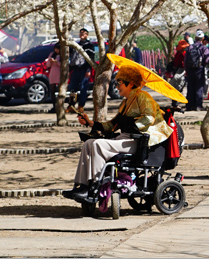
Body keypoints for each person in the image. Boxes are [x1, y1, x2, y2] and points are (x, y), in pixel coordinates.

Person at [63, 66, 172, 201]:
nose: (117, 86)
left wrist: (132, 125)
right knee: (88, 143)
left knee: (98, 144)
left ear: (130, 83)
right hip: (125, 139)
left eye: (119, 82)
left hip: (139, 141)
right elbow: (111, 125)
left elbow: (149, 118)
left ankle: (95, 186)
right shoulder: (125, 103)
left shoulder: (143, 96)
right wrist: (89, 123)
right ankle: (82, 186)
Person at [69, 29, 95, 113]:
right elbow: (71, 56)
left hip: (84, 69)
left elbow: (91, 58)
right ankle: (71, 105)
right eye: (81, 33)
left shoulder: (89, 45)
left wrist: (88, 70)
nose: (82, 34)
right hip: (75, 69)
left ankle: (81, 106)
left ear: (87, 35)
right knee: (72, 88)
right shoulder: (76, 44)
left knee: (83, 88)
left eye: (84, 33)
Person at [184, 30, 209, 111]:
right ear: (202, 38)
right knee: (199, 88)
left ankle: (189, 106)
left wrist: (186, 70)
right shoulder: (204, 48)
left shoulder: (190, 47)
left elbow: (185, 61)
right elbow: (207, 60)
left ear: (195, 38)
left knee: (190, 88)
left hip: (190, 70)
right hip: (199, 69)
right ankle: (198, 106)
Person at [44, 46, 62, 111]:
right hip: (53, 72)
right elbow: (47, 65)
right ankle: (54, 106)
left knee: (60, 91)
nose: (56, 50)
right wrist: (50, 61)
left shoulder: (63, 54)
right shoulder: (52, 54)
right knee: (52, 90)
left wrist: (56, 62)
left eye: (58, 48)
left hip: (60, 73)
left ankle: (60, 106)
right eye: (55, 49)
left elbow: (63, 64)